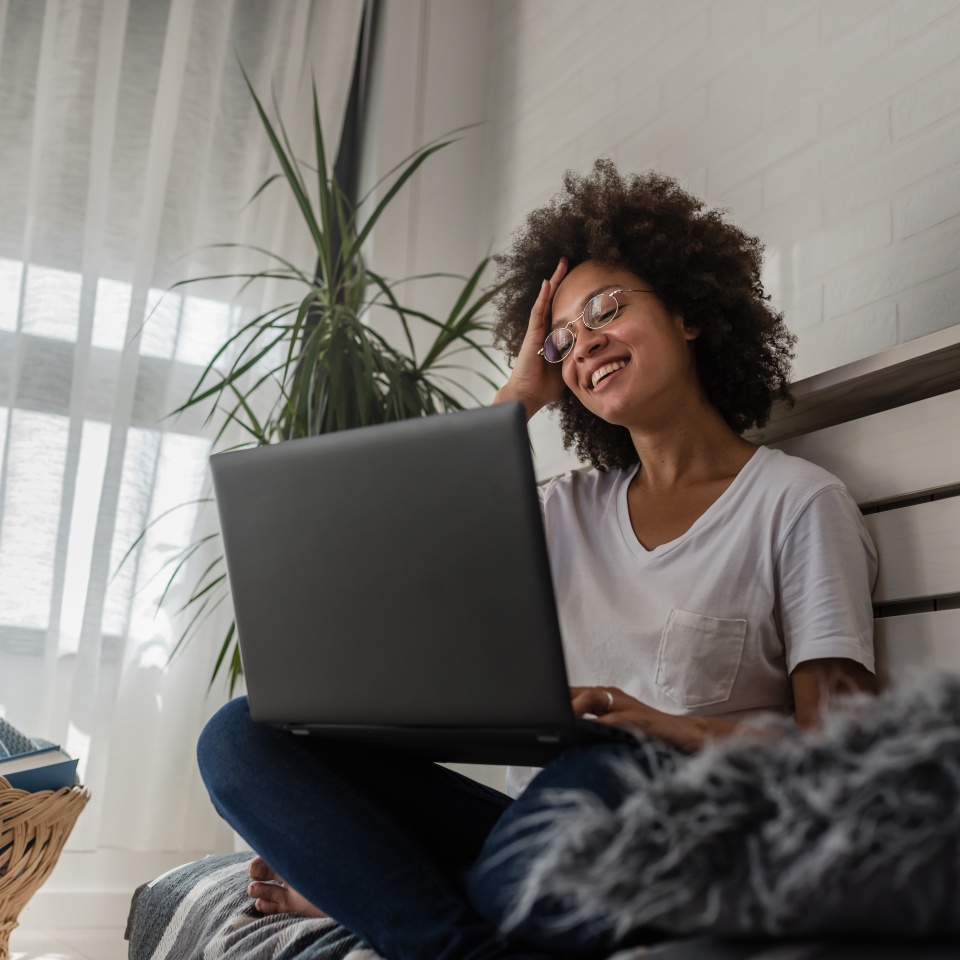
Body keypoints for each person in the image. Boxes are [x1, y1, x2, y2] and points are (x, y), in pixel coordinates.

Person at [197, 162, 877, 960]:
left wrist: (665, 726)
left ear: (689, 312)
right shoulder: (565, 509)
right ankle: (451, 929)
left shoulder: (797, 504)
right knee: (242, 737)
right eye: (560, 341)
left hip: (696, 818)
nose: (584, 342)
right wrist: (519, 397)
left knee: (606, 775)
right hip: (550, 820)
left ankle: (385, 898)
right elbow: (395, 554)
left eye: (607, 310)